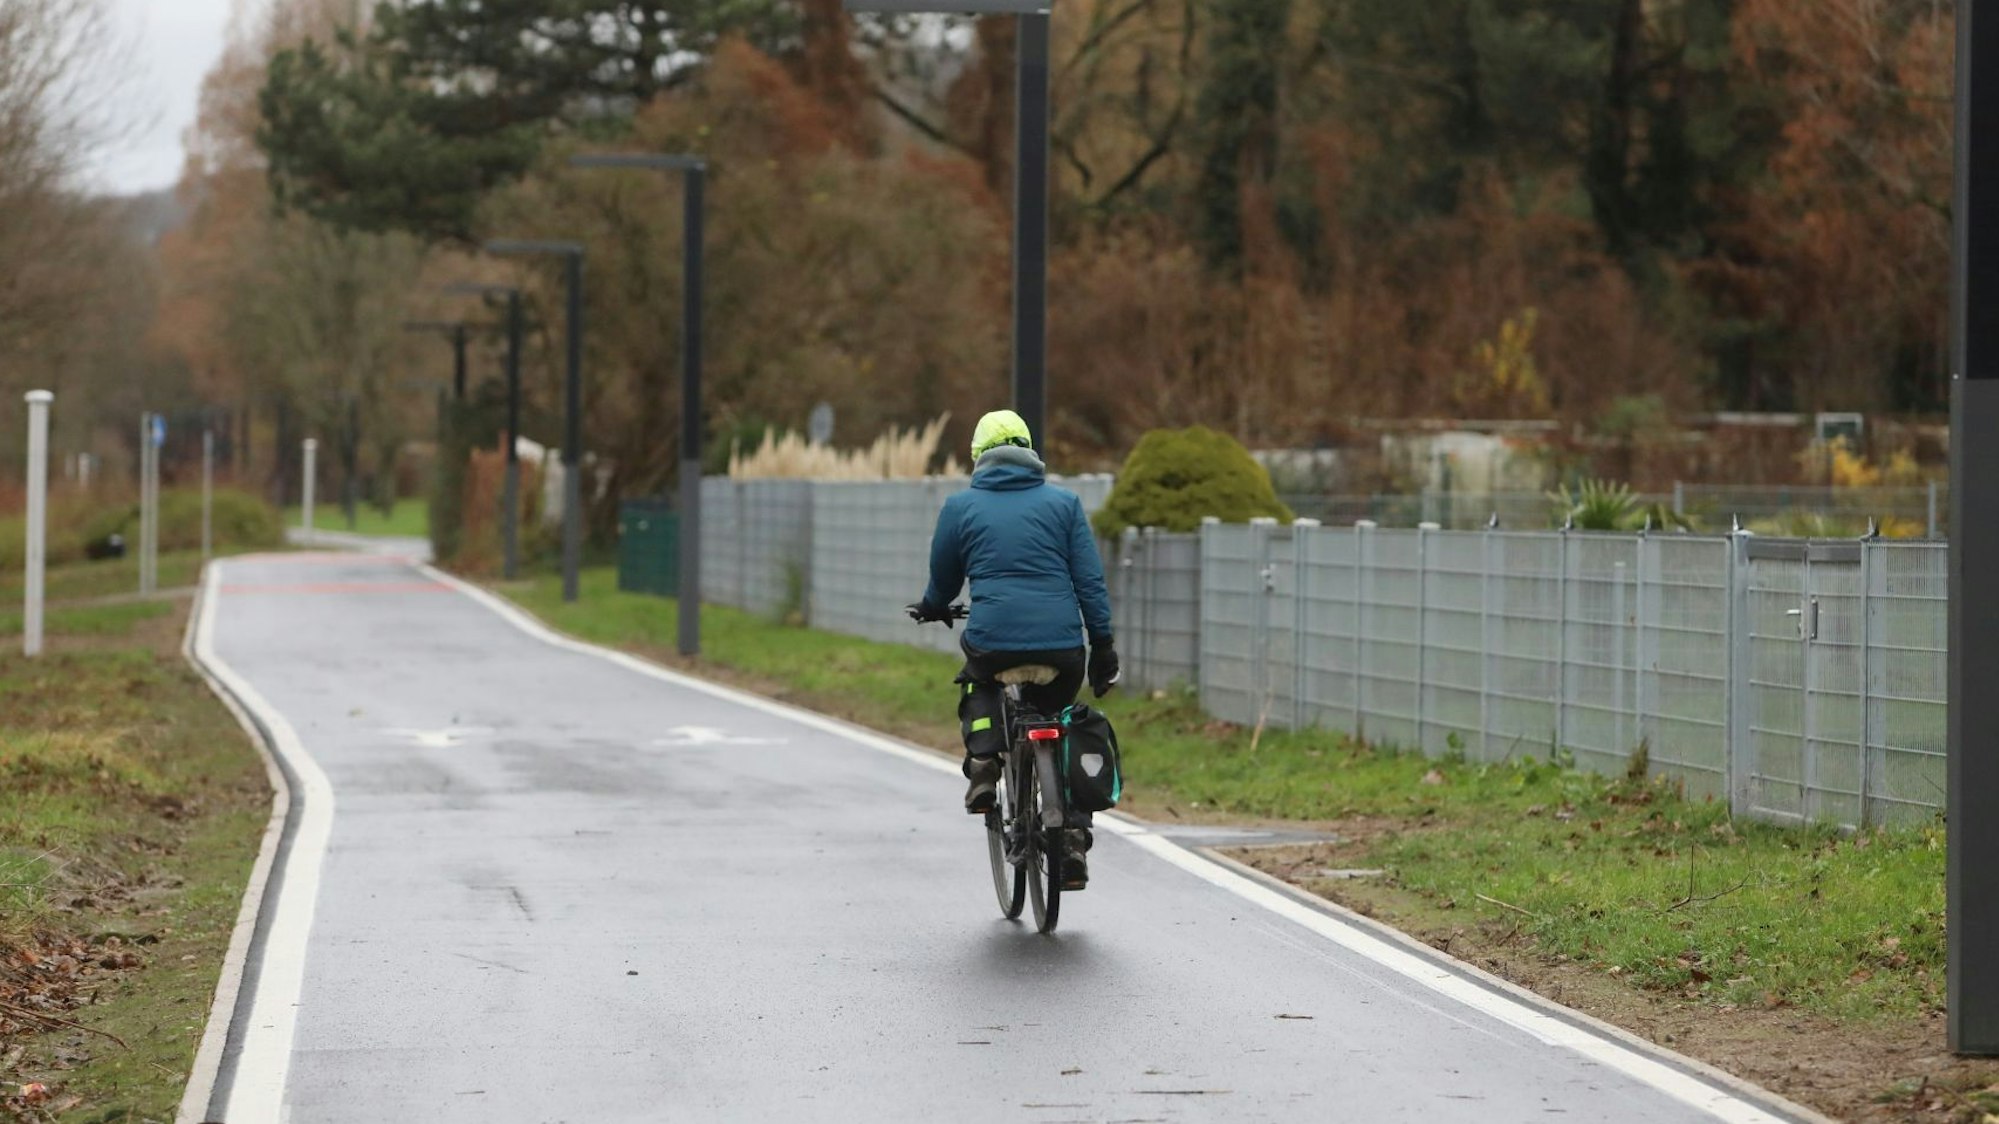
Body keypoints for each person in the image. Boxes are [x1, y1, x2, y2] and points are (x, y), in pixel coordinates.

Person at [908, 409, 1118, 889]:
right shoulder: (1064, 504)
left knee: (978, 682)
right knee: (1061, 719)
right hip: (1063, 648)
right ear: (1029, 450)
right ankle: (1071, 840)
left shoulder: (961, 508)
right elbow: (1090, 583)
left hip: (993, 641)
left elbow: (943, 579)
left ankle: (984, 762)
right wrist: (1102, 645)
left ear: (978, 457)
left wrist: (933, 606)